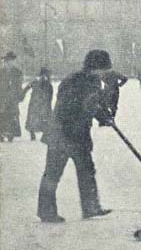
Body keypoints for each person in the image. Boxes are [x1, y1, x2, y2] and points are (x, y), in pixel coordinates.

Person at [38, 49, 114, 223]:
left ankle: (91, 207)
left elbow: (91, 105)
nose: (104, 74)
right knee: (53, 173)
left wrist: (103, 116)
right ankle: (46, 211)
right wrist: (92, 110)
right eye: (103, 69)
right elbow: (72, 106)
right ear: (95, 67)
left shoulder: (92, 81)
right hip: (62, 133)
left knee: (87, 170)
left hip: (77, 134)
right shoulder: (76, 81)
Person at [22, 67, 54, 141]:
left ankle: (33, 132)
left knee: (36, 118)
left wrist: (21, 95)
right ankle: (36, 133)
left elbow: (26, 88)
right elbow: (50, 94)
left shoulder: (37, 82)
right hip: (41, 103)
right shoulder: (46, 83)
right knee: (42, 118)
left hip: (37, 103)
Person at [0, 51, 24, 142]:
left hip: (13, 97)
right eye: (7, 61)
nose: (9, 63)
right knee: (2, 115)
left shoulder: (17, 72)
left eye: (11, 61)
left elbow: (19, 85)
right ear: (5, 62)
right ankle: (1, 133)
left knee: (12, 115)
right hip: (2, 97)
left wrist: (19, 95)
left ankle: (11, 133)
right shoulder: (1, 72)